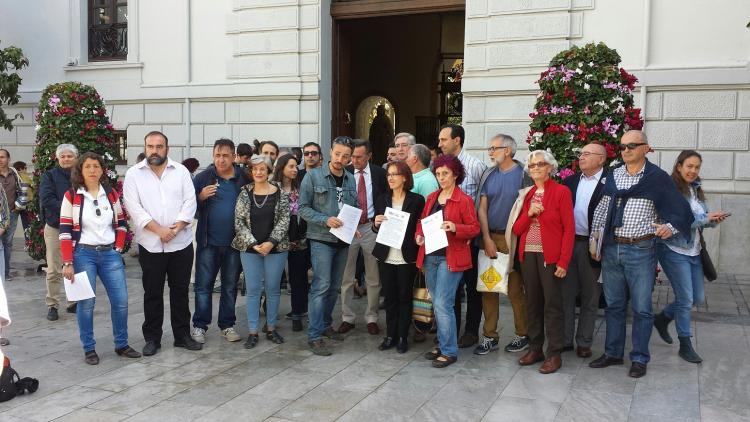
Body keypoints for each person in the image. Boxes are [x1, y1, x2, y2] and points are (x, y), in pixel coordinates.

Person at [589, 130, 693, 378]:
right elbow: (603, 210)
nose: (626, 150)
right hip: (612, 248)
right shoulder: (614, 176)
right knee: (613, 305)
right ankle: (613, 353)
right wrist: (595, 244)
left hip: (641, 250)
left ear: (646, 148)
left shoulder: (657, 178)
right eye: (622, 146)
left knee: (642, 309)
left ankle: (639, 358)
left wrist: (669, 227)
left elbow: (680, 210)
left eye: (632, 146)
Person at [123, 130, 202, 356]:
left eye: (159, 146)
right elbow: (134, 208)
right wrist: (159, 230)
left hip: (181, 243)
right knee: (152, 293)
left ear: (167, 148)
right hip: (151, 244)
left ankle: (182, 336)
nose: (154, 151)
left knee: (180, 291)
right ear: (145, 148)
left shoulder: (181, 172)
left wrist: (174, 229)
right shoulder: (133, 175)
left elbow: (190, 202)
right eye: (150, 146)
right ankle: (152, 339)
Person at [59, 152, 141, 364]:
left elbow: (121, 222)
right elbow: (65, 230)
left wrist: (118, 247)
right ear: (80, 170)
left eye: (96, 166)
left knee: (121, 301)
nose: (93, 170)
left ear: (102, 170)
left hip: (109, 255)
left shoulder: (110, 193)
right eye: (88, 166)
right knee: (87, 304)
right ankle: (89, 348)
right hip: (83, 254)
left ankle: (121, 344)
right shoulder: (72, 196)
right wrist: (67, 262)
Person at [653, 150, 728, 363]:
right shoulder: (670, 189)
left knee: (697, 298)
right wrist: (705, 218)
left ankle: (663, 318)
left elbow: (699, 219)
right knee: (685, 299)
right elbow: (675, 220)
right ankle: (685, 345)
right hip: (673, 250)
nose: (693, 171)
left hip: (694, 250)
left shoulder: (695, 189)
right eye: (689, 166)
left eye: (697, 167)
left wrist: (714, 219)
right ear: (679, 166)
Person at [509, 150, 574, 374]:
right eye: (532, 165)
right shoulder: (527, 195)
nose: (535, 168)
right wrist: (529, 214)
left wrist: (564, 261)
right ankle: (535, 348)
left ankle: (554, 353)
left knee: (552, 305)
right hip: (528, 256)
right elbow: (517, 229)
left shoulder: (561, 192)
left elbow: (569, 229)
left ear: (550, 168)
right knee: (532, 304)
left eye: (540, 164)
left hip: (551, 257)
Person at [416, 155, 480, 368]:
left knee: (443, 303)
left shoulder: (464, 200)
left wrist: (455, 227)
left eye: (445, 173)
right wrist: (419, 235)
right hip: (431, 255)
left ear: (455, 174)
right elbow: (422, 222)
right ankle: (443, 345)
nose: (441, 177)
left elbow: (474, 228)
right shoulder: (432, 197)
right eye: (438, 174)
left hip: (451, 257)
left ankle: (449, 350)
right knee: (438, 302)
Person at [298, 136, 358, 356]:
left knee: (334, 287)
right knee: (321, 286)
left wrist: (354, 225)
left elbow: (355, 207)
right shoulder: (312, 177)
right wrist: (325, 219)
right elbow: (302, 208)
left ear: (350, 158)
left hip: (343, 239)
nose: (340, 159)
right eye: (337, 154)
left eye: (345, 156)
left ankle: (325, 325)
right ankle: (314, 335)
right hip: (321, 238)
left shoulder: (351, 180)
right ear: (330, 152)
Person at [474, 134, 533, 356]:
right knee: (489, 287)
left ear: (507, 150)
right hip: (491, 237)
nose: (490, 152)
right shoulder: (488, 174)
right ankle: (490, 336)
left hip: (515, 240)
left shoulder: (524, 175)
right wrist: (486, 238)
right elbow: (482, 208)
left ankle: (522, 334)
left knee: (516, 290)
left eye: (494, 148)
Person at [190, 139, 249, 345]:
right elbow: (188, 207)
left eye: (225, 155)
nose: (221, 159)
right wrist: (200, 197)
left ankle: (227, 325)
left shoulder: (244, 178)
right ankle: (200, 325)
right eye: (217, 155)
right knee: (203, 286)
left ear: (234, 156)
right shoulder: (203, 178)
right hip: (208, 243)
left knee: (230, 286)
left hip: (234, 244)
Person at [437, 124, 487, 348]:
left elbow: (484, 200)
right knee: (451, 289)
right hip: (446, 240)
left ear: (457, 140)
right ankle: (451, 330)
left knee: (471, 285)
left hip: (469, 237)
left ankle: (471, 331)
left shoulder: (476, 165)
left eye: (444, 139)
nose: (440, 144)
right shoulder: (439, 165)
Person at [233, 155, 290, 348]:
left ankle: (272, 329)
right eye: (255, 169)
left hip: (276, 249)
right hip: (250, 249)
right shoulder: (244, 193)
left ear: (269, 171)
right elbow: (238, 222)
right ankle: (253, 332)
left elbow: (284, 220)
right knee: (253, 291)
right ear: (251, 171)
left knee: (273, 290)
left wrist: (271, 242)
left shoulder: (280, 193)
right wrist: (253, 243)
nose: (258, 172)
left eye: (262, 169)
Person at [561, 143, 608, 358]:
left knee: (590, 296)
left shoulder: (611, 183)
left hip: (593, 245)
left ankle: (584, 342)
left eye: (587, 154)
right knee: (566, 294)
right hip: (569, 243)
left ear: (601, 159)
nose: (581, 157)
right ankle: (564, 339)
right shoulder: (569, 181)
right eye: (580, 153)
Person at [372, 161, 424, 353]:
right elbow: (376, 226)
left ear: (405, 177)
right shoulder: (382, 199)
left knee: (404, 296)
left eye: (395, 174)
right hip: (386, 254)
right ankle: (390, 336)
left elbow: (420, 227)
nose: (391, 178)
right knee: (390, 297)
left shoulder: (417, 200)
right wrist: (376, 223)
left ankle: (403, 336)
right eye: (388, 175)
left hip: (407, 255)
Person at [339, 139, 387, 335]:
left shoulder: (379, 173)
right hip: (348, 227)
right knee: (346, 276)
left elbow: (385, 196)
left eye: (359, 157)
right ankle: (347, 317)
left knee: (373, 276)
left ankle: (372, 317)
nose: (354, 160)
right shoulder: (344, 172)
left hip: (370, 228)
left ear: (369, 156)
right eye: (352, 157)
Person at [39, 144, 78, 321]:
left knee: (73, 266)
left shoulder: (81, 176)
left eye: (70, 156)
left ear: (76, 158)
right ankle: (52, 305)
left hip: (77, 229)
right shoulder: (49, 176)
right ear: (58, 158)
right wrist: (68, 212)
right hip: (55, 227)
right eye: (63, 156)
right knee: (54, 268)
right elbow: (46, 199)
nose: (66, 159)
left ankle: (73, 302)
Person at [274, 154, 309, 332]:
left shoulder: (301, 188)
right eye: (291, 166)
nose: (295, 169)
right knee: (273, 280)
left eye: (296, 166)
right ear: (281, 168)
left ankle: (297, 314)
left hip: (298, 240)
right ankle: (270, 317)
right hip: (276, 240)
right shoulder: (272, 188)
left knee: (298, 278)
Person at [0, 149, 26, 280]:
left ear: (8, 159)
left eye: (2, 157)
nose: (0, 160)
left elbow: (23, 190)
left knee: (7, 243)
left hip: (11, 214)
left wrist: (18, 206)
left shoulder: (14, 173)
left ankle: (5, 272)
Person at [12, 161, 34, 241]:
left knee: (11, 226)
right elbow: (33, 188)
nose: (26, 170)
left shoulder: (13, 177)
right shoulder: (24, 177)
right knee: (27, 225)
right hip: (26, 204)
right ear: (20, 169)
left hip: (15, 205)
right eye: (25, 168)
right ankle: (29, 242)